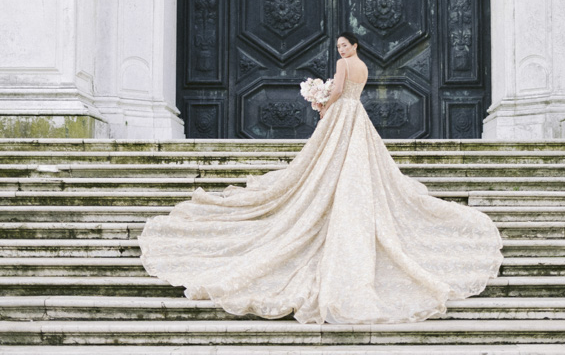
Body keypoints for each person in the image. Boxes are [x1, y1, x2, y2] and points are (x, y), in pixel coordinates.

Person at [139, 33, 503, 324]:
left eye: (345, 45)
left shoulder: (345, 66)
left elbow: (335, 92)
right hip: (357, 115)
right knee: (355, 163)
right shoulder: (362, 67)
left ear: (354, 46)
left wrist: (319, 104)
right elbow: (352, 94)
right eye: (340, 47)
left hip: (341, 115)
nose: (341, 49)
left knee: (325, 162)